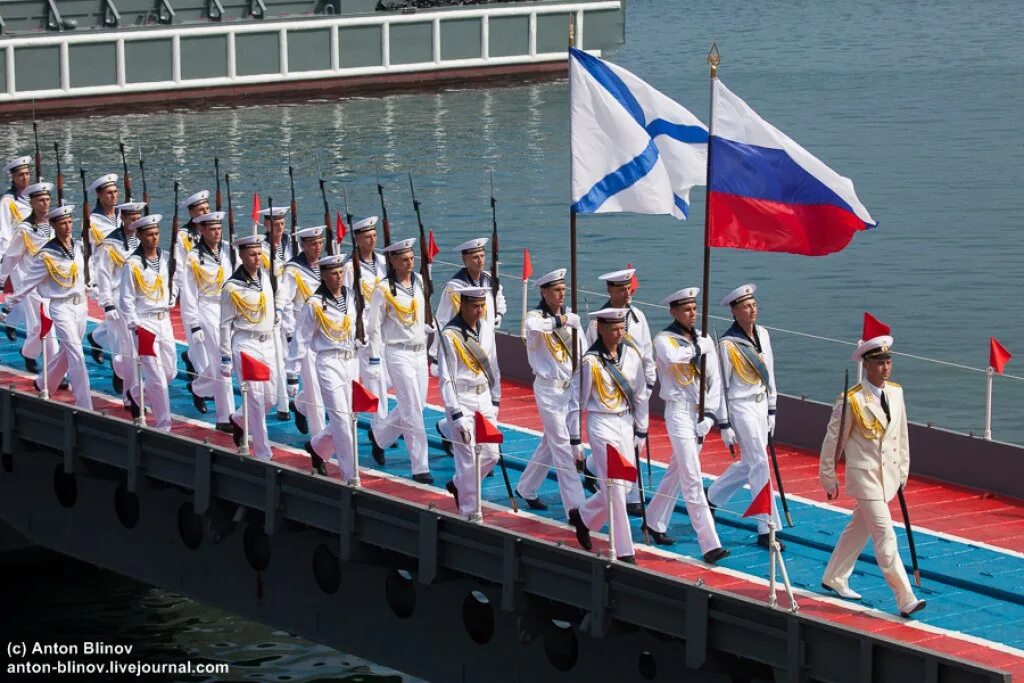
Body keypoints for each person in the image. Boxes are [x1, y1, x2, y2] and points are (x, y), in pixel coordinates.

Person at [819, 335, 925, 618]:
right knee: (885, 535)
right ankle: (906, 598)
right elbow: (834, 441)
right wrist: (828, 477)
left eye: (888, 361)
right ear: (866, 365)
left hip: (888, 477)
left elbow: (901, 435)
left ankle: (834, 576)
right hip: (865, 477)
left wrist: (903, 470)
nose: (885, 367)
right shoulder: (851, 399)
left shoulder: (896, 393)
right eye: (879, 362)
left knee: (859, 529)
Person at [644, 287, 729, 564]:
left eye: (694, 308)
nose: (692, 313)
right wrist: (696, 349)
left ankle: (653, 521)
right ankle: (709, 543)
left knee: (677, 471)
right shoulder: (663, 339)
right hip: (678, 413)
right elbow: (671, 358)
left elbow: (715, 381)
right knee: (692, 477)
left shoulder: (704, 341)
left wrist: (711, 415)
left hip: (699, 415)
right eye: (686, 309)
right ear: (673, 311)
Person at [567, 308, 651, 564]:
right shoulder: (590, 362)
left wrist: (642, 428)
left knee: (623, 486)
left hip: (625, 422)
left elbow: (640, 394)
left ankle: (584, 516)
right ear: (600, 329)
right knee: (613, 486)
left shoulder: (632, 356)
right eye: (613, 328)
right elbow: (575, 402)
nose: (619, 332)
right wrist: (575, 440)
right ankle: (625, 551)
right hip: (601, 422)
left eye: (621, 327)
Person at [707, 283, 784, 548]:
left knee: (751, 461)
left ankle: (713, 496)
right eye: (746, 307)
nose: (752, 310)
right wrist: (724, 423)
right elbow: (723, 387)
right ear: (735, 312)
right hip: (741, 407)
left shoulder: (763, 334)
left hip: (761, 405)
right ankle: (767, 527)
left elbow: (770, 373)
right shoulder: (727, 345)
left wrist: (772, 408)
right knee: (761, 463)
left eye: (753, 305)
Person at [1, 205, 92, 409]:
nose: (68, 227)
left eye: (70, 222)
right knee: (77, 354)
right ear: (53, 225)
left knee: (68, 351)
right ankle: (86, 404)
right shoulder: (46, 255)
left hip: (81, 306)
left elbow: (84, 273)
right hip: (60, 307)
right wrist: (8, 305)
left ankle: (44, 383)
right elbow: (27, 283)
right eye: (62, 223)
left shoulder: (77, 247)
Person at [513, 268, 586, 514]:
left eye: (564, 289)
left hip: (570, 388)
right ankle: (576, 509)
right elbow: (534, 328)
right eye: (556, 290)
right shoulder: (535, 317)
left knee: (550, 442)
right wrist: (562, 321)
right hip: (548, 389)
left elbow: (582, 354)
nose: (561, 294)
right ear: (544, 292)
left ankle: (526, 487)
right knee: (563, 447)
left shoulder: (571, 318)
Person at [584, 268, 656, 516]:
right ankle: (631, 493)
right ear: (610, 291)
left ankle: (596, 470)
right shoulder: (597, 322)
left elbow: (646, 354)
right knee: (621, 444)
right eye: (620, 289)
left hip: (634, 387)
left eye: (628, 288)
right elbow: (592, 355)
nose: (626, 293)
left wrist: (649, 381)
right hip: (610, 390)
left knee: (635, 440)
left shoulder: (639, 318)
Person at [430, 237, 507, 454]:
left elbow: (500, 299)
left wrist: (499, 313)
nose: (480, 260)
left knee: (492, 381)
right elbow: (442, 319)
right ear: (465, 259)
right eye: (475, 256)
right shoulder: (454, 288)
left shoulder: (489, 280)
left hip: (487, 338)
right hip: (461, 342)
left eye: (482, 255)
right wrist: (437, 355)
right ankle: (455, 429)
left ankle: (446, 428)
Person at [365, 238, 431, 483]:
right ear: (392, 261)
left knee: (417, 404)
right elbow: (373, 327)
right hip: (397, 352)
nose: (409, 262)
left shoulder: (419, 281)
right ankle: (420, 466)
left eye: (412, 258)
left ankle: (380, 435)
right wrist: (374, 358)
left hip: (419, 350)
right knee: (412, 408)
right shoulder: (383, 289)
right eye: (404, 259)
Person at [293, 254, 359, 480]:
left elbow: (359, 324)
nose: (339, 276)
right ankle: (350, 473)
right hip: (328, 361)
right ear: (323, 275)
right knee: (340, 418)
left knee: (350, 416)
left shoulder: (351, 296)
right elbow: (301, 338)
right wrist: (292, 374)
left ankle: (317, 447)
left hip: (351, 360)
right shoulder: (314, 304)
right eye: (333, 273)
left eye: (341, 272)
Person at [439, 286, 502, 521]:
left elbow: (493, 364)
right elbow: (446, 379)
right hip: (462, 399)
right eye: (475, 306)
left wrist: (496, 398)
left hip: (484, 397)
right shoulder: (450, 335)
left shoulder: (486, 328)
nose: (479, 311)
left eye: (482, 306)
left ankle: (458, 484)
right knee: (467, 458)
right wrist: (455, 414)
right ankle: (470, 512)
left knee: (491, 455)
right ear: (463, 304)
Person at [220, 233, 278, 461]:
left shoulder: (266, 277)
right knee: (255, 398)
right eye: (252, 254)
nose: (257, 258)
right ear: (242, 255)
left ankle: (239, 418)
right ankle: (264, 452)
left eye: (259, 253)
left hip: (268, 342)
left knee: (270, 398)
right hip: (246, 343)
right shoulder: (232, 288)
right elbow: (224, 325)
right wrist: (225, 357)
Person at [180, 211, 236, 430]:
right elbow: (189, 294)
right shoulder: (194, 258)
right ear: (201, 230)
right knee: (224, 362)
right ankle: (225, 417)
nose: (216, 232)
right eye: (211, 229)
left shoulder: (229, 250)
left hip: (228, 308)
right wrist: (194, 324)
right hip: (207, 308)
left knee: (220, 363)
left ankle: (199, 387)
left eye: (218, 228)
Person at [119, 214, 175, 430]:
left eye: (157, 233)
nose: (154, 238)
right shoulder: (132, 264)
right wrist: (135, 327)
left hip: (164, 320)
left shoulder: (165, 258)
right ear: (140, 236)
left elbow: (173, 281)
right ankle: (164, 425)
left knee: (169, 372)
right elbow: (126, 299)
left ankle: (135, 393)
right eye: (150, 234)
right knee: (158, 378)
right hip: (145, 323)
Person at [0, 181, 57, 372]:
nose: (45, 203)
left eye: (48, 199)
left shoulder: (54, 224)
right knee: (44, 323)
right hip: (30, 280)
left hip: (53, 282)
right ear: (32, 203)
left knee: (42, 327)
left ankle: (29, 352)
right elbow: (11, 257)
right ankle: (55, 371)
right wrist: (1, 281)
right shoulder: (25, 229)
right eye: (41, 200)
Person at [94, 201, 145, 399]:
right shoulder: (110, 244)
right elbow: (104, 274)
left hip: (138, 297)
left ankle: (130, 382)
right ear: (122, 218)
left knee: (137, 346)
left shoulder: (143, 240)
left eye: (138, 218)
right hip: (117, 296)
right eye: (132, 219)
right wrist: (107, 303)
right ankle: (122, 377)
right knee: (122, 345)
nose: (136, 222)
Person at [342, 216, 389, 427]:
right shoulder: (350, 267)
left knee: (384, 377)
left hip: (385, 323)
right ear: (357, 239)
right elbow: (346, 298)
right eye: (367, 236)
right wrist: (355, 329)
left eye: (374, 235)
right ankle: (378, 425)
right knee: (373, 376)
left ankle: (381, 421)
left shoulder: (383, 262)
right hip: (365, 323)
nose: (372, 239)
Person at [279, 226, 326, 436]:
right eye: (313, 243)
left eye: (320, 242)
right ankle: (319, 438)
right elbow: (285, 300)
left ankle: (299, 405)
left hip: (326, 331)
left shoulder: (326, 267)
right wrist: (290, 332)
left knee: (325, 385)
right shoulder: (293, 270)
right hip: (303, 331)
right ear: (303, 245)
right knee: (315, 388)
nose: (318, 247)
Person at [83, 173, 121, 365]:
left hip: (125, 274)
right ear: (99, 195)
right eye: (108, 193)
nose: (113, 196)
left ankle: (96, 336)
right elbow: (88, 252)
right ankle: (119, 368)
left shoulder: (124, 215)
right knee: (117, 322)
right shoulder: (92, 221)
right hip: (105, 274)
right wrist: (90, 280)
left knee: (121, 317)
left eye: (115, 191)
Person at [260, 205, 293, 421]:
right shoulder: (260, 248)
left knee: (292, 351)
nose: (280, 228)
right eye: (275, 224)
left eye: (282, 224)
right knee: (278, 355)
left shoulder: (291, 244)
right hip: (271, 304)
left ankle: (293, 397)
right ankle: (283, 404)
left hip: (290, 303)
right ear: (266, 225)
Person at [175, 190, 212, 377]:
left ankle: (196, 365)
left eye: (207, 208)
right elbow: (180, 268)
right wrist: (176, 294)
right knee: (198, 343)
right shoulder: (183, 236)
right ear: (192, 213)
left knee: (214, 345)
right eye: (201, 210)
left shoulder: (214, 234)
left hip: (211, 294)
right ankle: (201, 387)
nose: (206, 213)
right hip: (192, 293)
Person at [0, 156, 33, 255]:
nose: (25, 177)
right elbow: (4, 232)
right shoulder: (7, 201)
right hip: (17, 251)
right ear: (13, 177)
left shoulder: (35, 197)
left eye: (27, 174)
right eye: (21, 175)